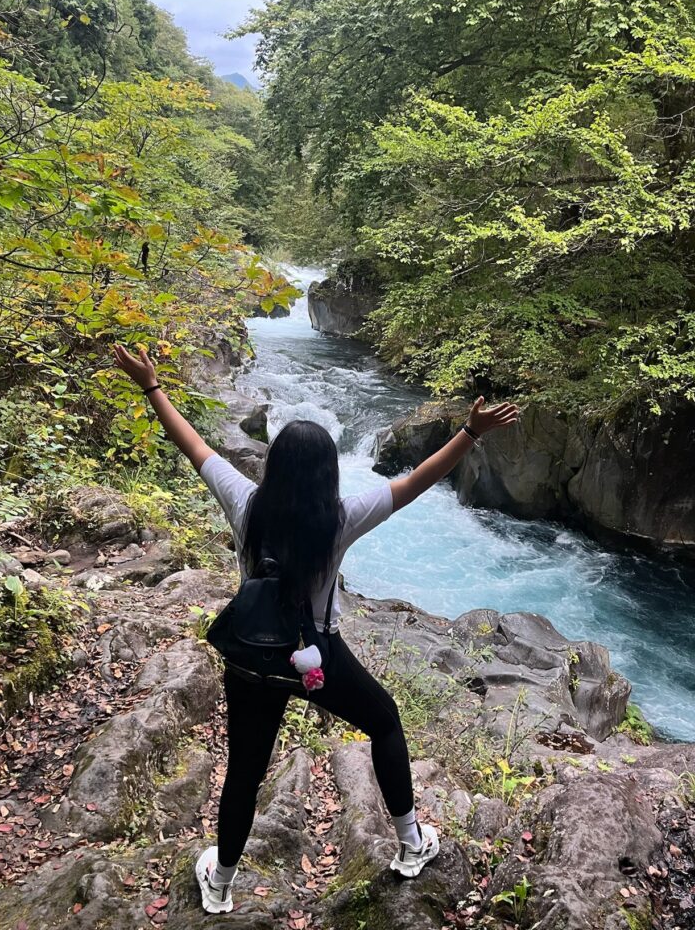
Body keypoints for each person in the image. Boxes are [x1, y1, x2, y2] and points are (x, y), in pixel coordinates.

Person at [112, 343, 518, 915]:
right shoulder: (341, 518)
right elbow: (419, 480)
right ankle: (409, 843)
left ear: (274, 467)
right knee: (383, 721)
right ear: (329, 472)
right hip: (315, 658)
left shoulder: (246, 503)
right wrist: (471, 433)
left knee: (246, 770)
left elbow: (194, 445)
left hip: (250, 656)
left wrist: (152, 386)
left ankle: (222, 882)